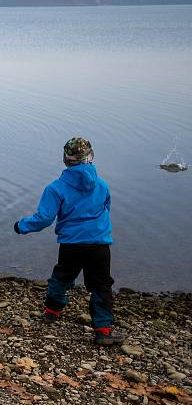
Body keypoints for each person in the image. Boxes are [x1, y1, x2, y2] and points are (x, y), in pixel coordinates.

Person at [14, 137, 124, 345]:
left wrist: (21, 226)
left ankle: (51, 312)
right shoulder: (101, 185)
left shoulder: (56, 188)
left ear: (65, 160)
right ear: (90, 158)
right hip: (99, 245)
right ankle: (102, 331)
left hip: (72, 244)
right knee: (101, 285)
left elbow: (44, 218)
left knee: (61, 277)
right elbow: (106, 208)